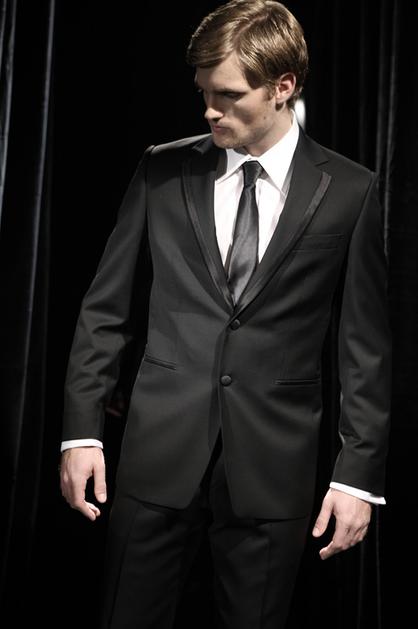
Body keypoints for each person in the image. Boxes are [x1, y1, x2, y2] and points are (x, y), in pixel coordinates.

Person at [59, 1, 391, 627]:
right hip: (156, 456)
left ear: (283, 87)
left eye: (229, 95)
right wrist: (82, 432)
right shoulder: (162, 169)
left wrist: (357, 479)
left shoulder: (351, 190)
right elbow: (104, 309)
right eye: (204, 93)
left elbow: (364, 349)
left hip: (274, 467)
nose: (210, 110)